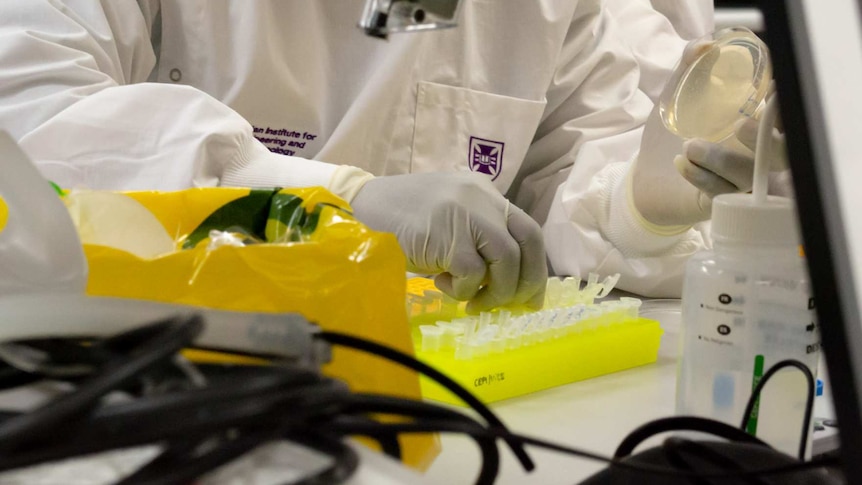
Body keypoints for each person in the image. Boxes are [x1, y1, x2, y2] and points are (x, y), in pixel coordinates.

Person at [0, 0, 718, 306]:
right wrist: (330, 198)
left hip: (447, 400)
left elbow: (580, 163)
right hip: (157, 384)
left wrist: (640, 208)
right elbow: (30, 121)